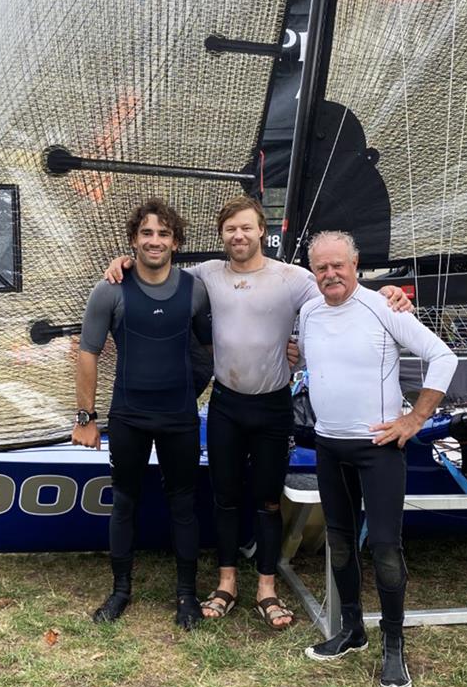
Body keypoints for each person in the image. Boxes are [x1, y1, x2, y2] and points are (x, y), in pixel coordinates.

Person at [104, 196, 411, 629]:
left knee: (268, 502)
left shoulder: (293, 277)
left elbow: (340, 289)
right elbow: (157, 274)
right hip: (227, 405)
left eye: (246, 228)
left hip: (272, 407)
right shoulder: (207, 275)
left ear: (261, 231)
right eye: (230, 229)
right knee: (225, 499)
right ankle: (226, 583)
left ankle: (266, 588)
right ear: (222, 236)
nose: (239, 236)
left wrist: (389, 294)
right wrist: (123, 262)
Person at [298, 230, 457, 687]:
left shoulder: (383, 306)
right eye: (321, 267)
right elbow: (315, 364)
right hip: (329, 445)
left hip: (379, 449)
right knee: (340, 544)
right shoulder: (308, 312)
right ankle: (352, 630)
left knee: (386, 548)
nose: (330, 274)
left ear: (355, 264)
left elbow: (441, 357)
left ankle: (393, 645)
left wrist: (415, 418)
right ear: (313, 271)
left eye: (338, 266)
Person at [72, 198, 212, 630]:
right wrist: (86, 418)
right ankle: (120, 591)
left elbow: (206, 351)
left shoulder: (195, 289)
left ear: (176, 242)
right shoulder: (110, 290)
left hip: (178, 417)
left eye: (164, 234)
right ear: (133, 239)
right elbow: (87, 353)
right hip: (129, 415)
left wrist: (191, 392)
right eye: (147, 233)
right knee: (124, 503)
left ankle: (187, 596)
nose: (155, 241)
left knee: (183, 506)